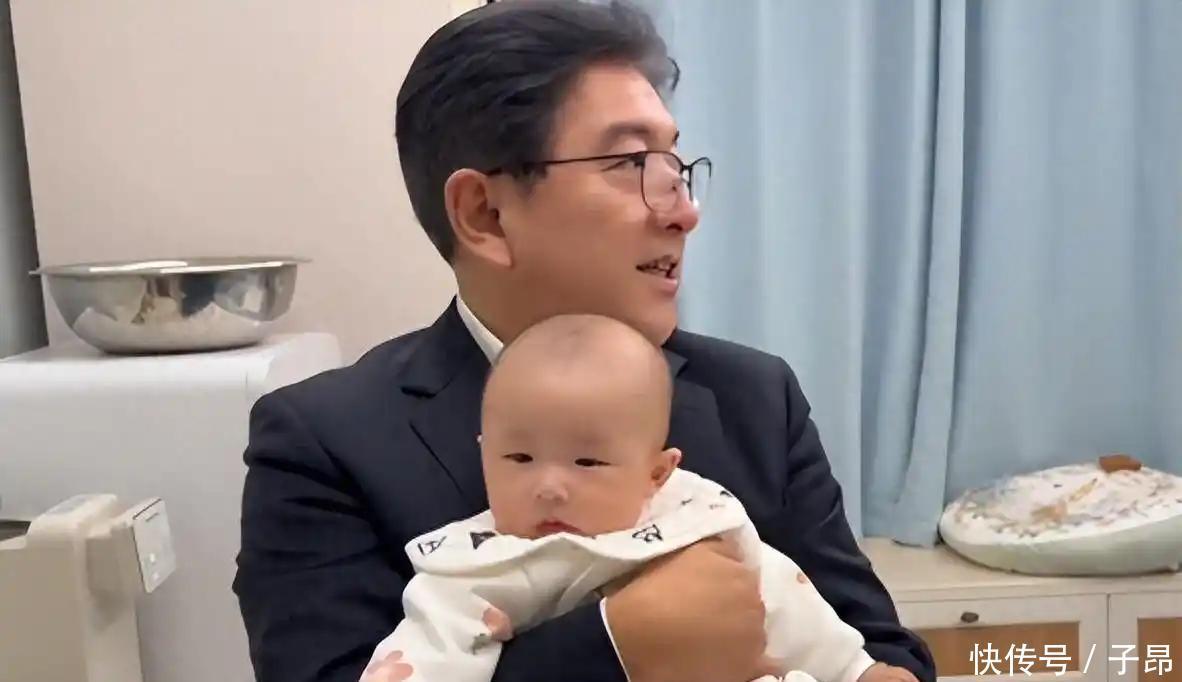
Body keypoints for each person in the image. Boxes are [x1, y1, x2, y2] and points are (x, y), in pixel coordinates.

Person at [233, 2, 936, 682]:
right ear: (485, 214)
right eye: (631, 164)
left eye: (675, 166)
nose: (684, 212)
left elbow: (884, 657)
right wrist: (621, 644)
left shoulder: (754, 399)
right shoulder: (326, 445)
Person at [359, 314, 919, 682]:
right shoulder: (472, 569)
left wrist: (855, 669)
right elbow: (425, 656)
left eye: (587, 463)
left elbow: (780, 598)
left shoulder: (691, 517)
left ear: (657, 473)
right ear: (483, 454)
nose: (549, 485)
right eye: (519, 459)